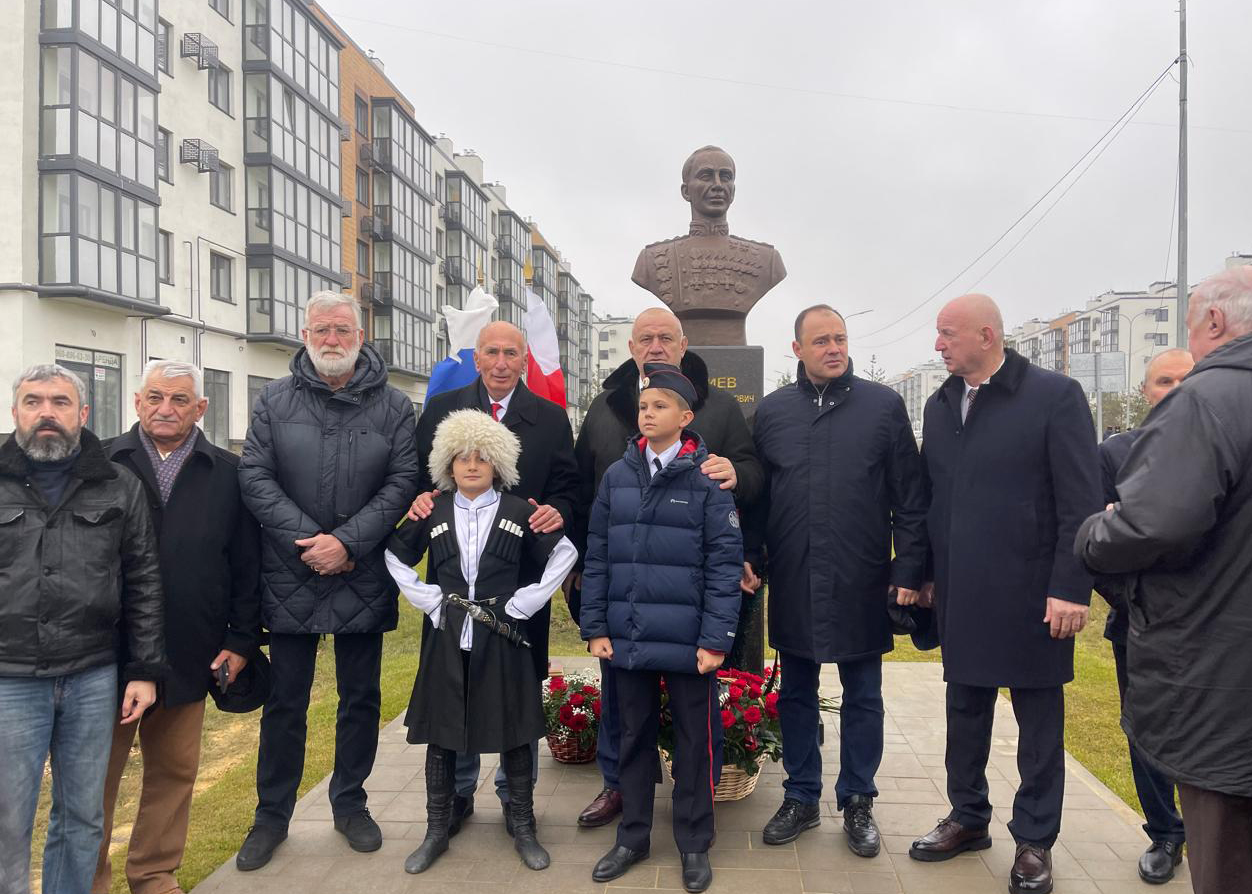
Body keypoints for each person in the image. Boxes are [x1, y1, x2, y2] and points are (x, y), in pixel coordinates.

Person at [909, 294, 1100, 894]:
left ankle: (1035, 840)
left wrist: (1070, 586)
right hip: (962, 591)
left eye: (947, 333)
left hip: (1033, 595)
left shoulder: (1054, 396)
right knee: (964, 712)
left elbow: (1081, 501)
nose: (938, 344)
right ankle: (968, 817)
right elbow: (933, 498)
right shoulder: (941, 404)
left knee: (1038, 721)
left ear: (986, 336)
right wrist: (924, 573)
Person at [1075, 266, 1252, 894]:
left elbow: (1150, 527)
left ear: (1214, 321)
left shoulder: (1208, 402)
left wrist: (1095, 531)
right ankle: (1162, 832)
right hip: (1206, 645)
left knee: (1227, 851)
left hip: (1215, 670)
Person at [235, 291, 419, 870]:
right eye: (322, 330)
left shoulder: (394, 406)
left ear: (360, 337)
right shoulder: (274, 399)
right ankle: (271, 817)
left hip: (359, 571)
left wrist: (348, 544)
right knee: (285, 701)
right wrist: (312, 543)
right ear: (306, 334)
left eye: (342, 329)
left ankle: (351, 803)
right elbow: (255, 476)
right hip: (291, 570)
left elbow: (403, 481)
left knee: (360, 698)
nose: (332, 339)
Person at [571, 306, 763, 828]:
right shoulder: (605, 407)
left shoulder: (720, 407)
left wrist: (737, 478)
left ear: (682, 345)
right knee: (624, 709)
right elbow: (583, 488)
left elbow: (752, 476)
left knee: (694, 718)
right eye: (645, 338)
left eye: (665, 338)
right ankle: (619, 790)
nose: (655, 346)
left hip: (686, 601)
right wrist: (581, 569)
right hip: (625, 597)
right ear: (632, 348)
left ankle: (696, 815)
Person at [752, 305, 927, 857]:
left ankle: (857, 799)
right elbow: (758, 497)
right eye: (821, 340)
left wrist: (908, 568)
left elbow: (910, 497)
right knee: (795, 692)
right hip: (795, 574)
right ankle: (801, 795)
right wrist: (752, 555)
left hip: (862, 575)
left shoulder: (883, 406)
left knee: (864, 694)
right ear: (797, 349)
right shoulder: (772, 412)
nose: (833, 348)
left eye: (840, 339)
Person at [92, 361, 262, 894]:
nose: (166, 409)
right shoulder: (99, 465)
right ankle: (88, 880)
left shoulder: (229, 473)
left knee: (174, 772)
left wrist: (241, 640)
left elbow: (247, 565)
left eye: (180, 399)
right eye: (156, 397)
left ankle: (153, 875)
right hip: (106, 654)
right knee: (93, 779)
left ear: (201, 408)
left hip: (191, 649)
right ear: (137, 401)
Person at [385, 409, 576, 874]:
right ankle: (436, 830)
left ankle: (523, 826)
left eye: (482, 458)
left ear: (498, 464)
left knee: (515, 732)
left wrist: (525, 603)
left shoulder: (519, 510)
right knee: (442, 734)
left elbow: (565, 552)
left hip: (504, 636)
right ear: (447, 464)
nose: (471, 466)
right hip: (448, 635)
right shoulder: (433, 510)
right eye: (462, 458)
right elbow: (394, 555)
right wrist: (431, 601)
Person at [408, 320, 579, 836]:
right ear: (476, 358)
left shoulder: (550, 417)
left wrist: (559, 509)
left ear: (524, 360)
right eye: (491, 352)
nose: (501, 362)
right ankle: (458, 794)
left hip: (519, 584)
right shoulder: (442, 409)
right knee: (454, 679)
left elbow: (570, 486)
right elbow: (419, 477)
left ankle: (514, 797)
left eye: (511, 353)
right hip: (454, 580)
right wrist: (419, 500)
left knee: (516, 687)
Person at [0, 364, 164, 894]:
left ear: (84, 413)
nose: (46, 412)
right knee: (6, 821)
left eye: (60, 402)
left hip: (92, 675)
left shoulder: (118, 485)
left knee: (83, 819)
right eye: (33, 402)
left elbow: (143, 579)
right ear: (15, 411)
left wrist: (144, 669)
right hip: (9, 677)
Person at [579, 362, 743, 894]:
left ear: (686, 416)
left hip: (689, 643)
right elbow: (597, 556)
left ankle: (694, 841)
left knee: (695, 743)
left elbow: (724, 566)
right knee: (633, 739)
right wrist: (595, 626)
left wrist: (715, 640)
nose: (648, 414)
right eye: (644, 406)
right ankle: (632, 837)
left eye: (660, 406)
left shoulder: (707, 480)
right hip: (627, 637)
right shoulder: (617, 477)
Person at [1091, 348, 1193, 885]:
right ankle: (1166, 832)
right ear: (1145, 391)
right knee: (1146, 730)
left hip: (1215, 625)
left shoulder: (1230, 446)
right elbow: (1096, 544)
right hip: (1139, 621)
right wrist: (1134, 601)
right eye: (1163, 381)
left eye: (1186, 379)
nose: (1175, 390)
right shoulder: (1115, 454)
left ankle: (1216, 832)